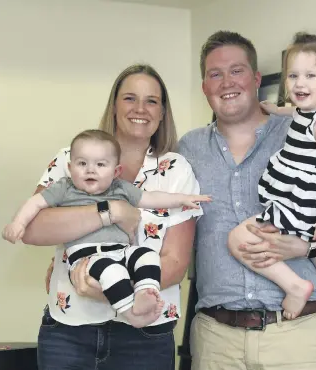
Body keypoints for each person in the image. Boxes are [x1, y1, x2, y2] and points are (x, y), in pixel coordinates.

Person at [178, 30, 316, 370]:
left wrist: (307, 247)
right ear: (204, 86)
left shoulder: (306, 128)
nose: (227, 81)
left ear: (256, 78)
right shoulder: (189, 148)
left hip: (299, 336)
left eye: (237, 70)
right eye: (215, 73)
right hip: (216, 341)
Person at [22, 64, 202, 370]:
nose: (140, 109)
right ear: (115, 106)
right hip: (70, 330)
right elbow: (33, 229)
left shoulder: (176, 169)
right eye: (130, 98)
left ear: (162, 113)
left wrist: (108, 292)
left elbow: (175, 262)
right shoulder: (71, 159)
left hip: (145, 335)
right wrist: (110, 212)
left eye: (152, 101)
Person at [3, 129, 210, 328]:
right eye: (82, 163)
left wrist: (184, 198)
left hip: (121, 250)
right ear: (70, 167)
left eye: (100, 164)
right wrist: (18, 224)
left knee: (146, 255)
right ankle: (132, 313)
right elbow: (36, 203)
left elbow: (152, 198)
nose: (90, 169)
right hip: (89, 257)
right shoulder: (65, 188)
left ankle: (145, 291)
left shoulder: (119, 187)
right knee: (113, 272)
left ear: (115, 171)